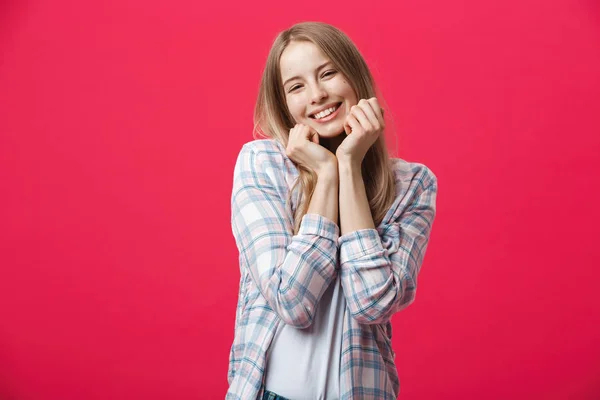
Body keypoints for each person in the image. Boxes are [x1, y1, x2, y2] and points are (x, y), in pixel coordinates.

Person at [227, 21, 438, 400]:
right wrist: (325, 174)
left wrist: (348, 167)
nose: (317, 95)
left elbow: (372, 302)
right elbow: (291, 301)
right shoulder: (261, 163)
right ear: (284, 104)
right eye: (297, 86)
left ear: (354, 75)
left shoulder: (413, 185)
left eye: (328, 73)